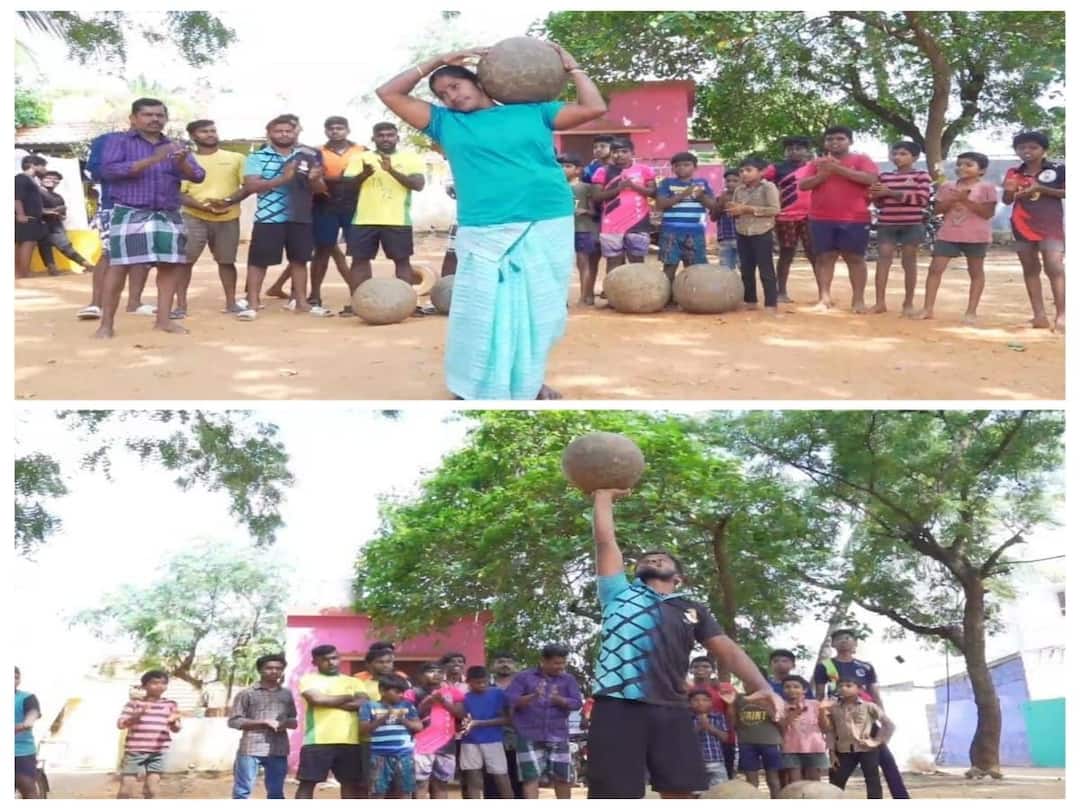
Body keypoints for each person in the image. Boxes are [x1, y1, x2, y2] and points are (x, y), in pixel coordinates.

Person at [375, 43, 606, 400]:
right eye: (442, 94)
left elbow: (594, 107)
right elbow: (388, 92)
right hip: (484, 225)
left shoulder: (533, 112)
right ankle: (473, 385)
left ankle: (528, 380)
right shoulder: (445, 123)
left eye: (455, 86)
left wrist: (573, 68)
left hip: (546, 217)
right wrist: (437, 61)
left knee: (537, 308)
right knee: (480, 310)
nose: (450, 96)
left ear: (480, 83)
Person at [587, 489, 783, 798]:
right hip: (618, 705)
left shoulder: (692, 609)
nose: (653, 557)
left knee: (679, 790)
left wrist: (763, 686)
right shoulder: (618, 593)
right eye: (646, 559)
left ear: (679, 577)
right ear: (635, 572)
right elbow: (605, 541)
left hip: (672, 707)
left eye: (663, 558)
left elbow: (727, 649)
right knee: (614, 793)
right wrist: (602, 495)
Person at [95, 98, 206, 338]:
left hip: (168, 213)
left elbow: (198, 176)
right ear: (133, 118)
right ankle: (106, 325)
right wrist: (154, 159)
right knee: (119, 266)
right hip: (130, 211)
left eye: (159, 115)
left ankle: (163, 320)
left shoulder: (175, 146)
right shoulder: (118, 141)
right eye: (147, 115)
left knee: (170, 266)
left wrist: (181, 162)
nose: (154, 119)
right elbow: (110, 171)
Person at [238, 115, 332, 319]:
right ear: (269, 134)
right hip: (268, 218)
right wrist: (284, 178)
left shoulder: (308, 156)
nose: (284, 134)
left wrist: (315, 180)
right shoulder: (257, 157)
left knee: (300, 261)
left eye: (288, 131)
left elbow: (320, 189)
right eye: (278, 131)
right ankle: (253, 303)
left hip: (300, 217)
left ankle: (301, 303)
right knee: (258, 261)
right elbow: (252, 185)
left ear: (295, 133)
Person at [813, 629, 909, 799]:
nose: (844, 640)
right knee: (837, 769)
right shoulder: (825, 666)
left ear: (855, 644)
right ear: (833, 644)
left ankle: (901, 798)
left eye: (848, 637)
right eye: (839, 638)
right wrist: (822, 717)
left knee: (885, 761)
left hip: (865, 716)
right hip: (839, 716)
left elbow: (874, 692)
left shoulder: (865, 666)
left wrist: (880, 716)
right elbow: (820, 695)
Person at [342, 122, 426, 300]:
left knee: (402, 261)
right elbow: (346, 187)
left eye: (390, 135)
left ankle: (407, 303)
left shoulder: (411, 158)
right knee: (359, 262)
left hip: (397, 220)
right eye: (381, 135)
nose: (385, 138)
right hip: (364, 219)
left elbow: (418, 185)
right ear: (373, 138)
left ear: (397, 138)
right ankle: (359, 302)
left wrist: (392, 171)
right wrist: (364, 174)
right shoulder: (361, 158)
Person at [799, 126, 879, 312]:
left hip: (856, 218)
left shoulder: (861, 159)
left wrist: (838, 169)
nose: (834, 142)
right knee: (824, 258)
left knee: (855, 258)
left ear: (850, 141)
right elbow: (803, 185)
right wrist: (822, 175)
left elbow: (871, 179)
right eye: (830, 139)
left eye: (840, 138)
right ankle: (824, 298)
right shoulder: (817, 163)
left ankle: (858, 301)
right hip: (820, 218)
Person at [176, 119, 248, 317]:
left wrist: (226, 202)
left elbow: (248, 185)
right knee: (185, 262)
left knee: (226, 261)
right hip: (193, 216)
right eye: (204, 131)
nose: (210, 134)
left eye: (213, 130)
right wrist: (201, 207)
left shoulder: (236, 158)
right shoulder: (184, 160)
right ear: (193, 136)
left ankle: (231, 303)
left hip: (228, 216)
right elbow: (177, 193)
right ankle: (180, 306)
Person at [916, 152, 997, 323]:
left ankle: (971, 312)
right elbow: (937, 210)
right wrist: (953, 200)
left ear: (981, 170)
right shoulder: (947, 186)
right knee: (935, 269)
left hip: (977, 235)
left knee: (975, 271)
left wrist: (966, 201)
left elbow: (987, 213)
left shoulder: (987, 187)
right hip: (949, 233)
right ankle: (927, 308)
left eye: (969, 165)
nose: (962, 168)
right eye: (959, 164)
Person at [1003, 130, 1065, 333]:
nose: (1026, 151)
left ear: (1044, 150)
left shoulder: (1058, 169)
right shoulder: (1013, 172)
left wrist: (1042, 190)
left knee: (1054, 267)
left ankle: (1062, 315)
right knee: (1030, 269)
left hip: (1050, 225)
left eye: (1032, 147)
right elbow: (1007, 201)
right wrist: (1009, 191)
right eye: (1021, 148)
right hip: (1021, 224)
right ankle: (1039, 315)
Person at [296, 644, 375, 799]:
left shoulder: (354, 682)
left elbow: (363, 703)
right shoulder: (309, 680)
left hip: (350, 741)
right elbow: (317, 699)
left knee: (350, 784)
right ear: (315, 663)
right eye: (325, 660)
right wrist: (347, 697)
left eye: (334, 658)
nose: (331, 662)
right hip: (317, 740)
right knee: (307, 784)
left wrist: (329, 700)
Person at [504, 644, 582, 800]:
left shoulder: (568, 679)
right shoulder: (523, 677)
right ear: (543, 661)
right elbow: (509, 701)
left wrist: (558, 699)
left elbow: (577, 703)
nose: (560, 667)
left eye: (562, 662)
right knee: (530, 778)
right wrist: (533, 696)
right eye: (556, 663)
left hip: (558, 735)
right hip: (528, 735)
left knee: (562, 778)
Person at [307, 116, 366, 312]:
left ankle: (359, 296)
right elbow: (312, 178)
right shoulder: (316, 152)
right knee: (322, 251)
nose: (335, 131)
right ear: (326, 131)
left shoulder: (362, 150)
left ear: (348, 130)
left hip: (354, 205)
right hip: (324, 204)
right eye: (331, 128)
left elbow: (367, 176)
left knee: (358, 252)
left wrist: (339, 179)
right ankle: (315, 295)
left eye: (339, 128)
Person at [870, 141, 932, 315]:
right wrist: (876, 195)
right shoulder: (884, 176)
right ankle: (879, 303)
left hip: (912, 223)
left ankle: (908, 303)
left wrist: (890, 193)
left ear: (915, 157)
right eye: (895, 153)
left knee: (909, 262)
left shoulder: (922, 175)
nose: (897, 157)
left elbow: (922, 200)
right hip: (887, 222)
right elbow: (879, 202)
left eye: (903, 153)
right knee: (883, 260)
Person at [228, 653, 298, 800]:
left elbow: (294, 721)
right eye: (269, 668)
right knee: (242, 791)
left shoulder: (286, 694)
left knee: (276, 793)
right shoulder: (247, 693)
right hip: (251, 748)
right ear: (260, 670)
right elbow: (234, 721)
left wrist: (284, 723)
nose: (274, 671)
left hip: (278, 749)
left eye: (278, 668)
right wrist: (263, 722)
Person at [591, 138, 657, 275]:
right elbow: (596, 197)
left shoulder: (644, 170)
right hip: (611, 225)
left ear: (632, 153)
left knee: (637, 260)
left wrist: (633, 186)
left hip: (638, 223)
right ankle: (613, 294)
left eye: (624, 151)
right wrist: (619, 188)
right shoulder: (602, 172)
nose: (619, 155)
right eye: (615, 151)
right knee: (613, 262)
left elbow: (653, 193)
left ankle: (638, 293)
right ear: (611, 153)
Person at [820, 678, 895, 799]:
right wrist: (832, 753)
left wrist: (876, 741)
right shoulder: (833, 708)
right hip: (843, 751)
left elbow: (889, 725)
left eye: (848, 685)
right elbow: (830, 731)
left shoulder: (869, 706)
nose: (844, 688)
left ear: (859, 689)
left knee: (873, 782)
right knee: (836, 781)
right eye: (840, 686)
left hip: (867, 750)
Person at [764, 136, 817, 302]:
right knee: (787, 253)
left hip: (810, 216)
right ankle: (781, 293)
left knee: (814, 253)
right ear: (785, 152)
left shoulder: (813, 168)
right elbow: (759, 180)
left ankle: (824, 292)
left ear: (806, 151)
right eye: (790, 149)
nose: (794, 151)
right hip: (785, 217)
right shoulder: (776, 168)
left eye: (799, 148)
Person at [116, 670, 182, 799]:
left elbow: (176, 729)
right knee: (126, 789)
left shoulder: (170, 705)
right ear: (144, 686)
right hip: (135, 750)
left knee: (153, 789)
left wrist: (174, 722)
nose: (160, 686)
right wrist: (137, 715)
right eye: (155, 683)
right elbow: (121, 724)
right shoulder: (134, 704)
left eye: (163, 683)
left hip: (159, 751)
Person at [655, 151, 716, 291]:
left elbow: (713, 206)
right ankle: (666, 296)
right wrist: (683, 194)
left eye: (686, 165)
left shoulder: (702, 183)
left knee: (694, 267)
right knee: (670, 265)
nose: (682, 168)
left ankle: (692, 295)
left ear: (695, 167)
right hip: (670, 231)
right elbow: (660, 205)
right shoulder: (667, 183)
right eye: (678, 165)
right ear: (673, 168)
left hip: (695, 231)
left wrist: (701, 196)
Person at [727, 157, 781, 312]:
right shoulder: (739, 189)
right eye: (741, 171)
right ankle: (750, 301)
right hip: (742, 231)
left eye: (748, 170)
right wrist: (734, 210)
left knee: (766, 268)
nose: (744, 173)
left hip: (762, 231)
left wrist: (747, 209)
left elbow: (774, 210)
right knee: (746, 268)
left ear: (761, 172)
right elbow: (737, 209)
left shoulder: (768, 187)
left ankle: (771, 303)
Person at [405, 661, 465, 799]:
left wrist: (444, 702)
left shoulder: (452, 691)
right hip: (420, 746)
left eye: (439, 671)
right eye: (431, 671)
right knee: (420, 785)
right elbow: (409, 717)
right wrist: (427, 703)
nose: (436, 674)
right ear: (420, 675)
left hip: (446, 746)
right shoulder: (412, 692)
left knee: (441, 784)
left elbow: (461, 714)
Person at [359, 675, 423, 799]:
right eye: (397, 692)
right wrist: (383, 718)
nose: (401, 695)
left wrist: (403, 720)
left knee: (404, 792)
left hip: (404, 756)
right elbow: (363, 730)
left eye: (403, 692)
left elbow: (418, 727)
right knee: (377, 792)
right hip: (379, 757)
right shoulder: (369, 706)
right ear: (382, 690)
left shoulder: (408, 706)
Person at [459, 665, 513, 798]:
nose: (482, 685)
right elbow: (463, 718)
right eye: (478, 682)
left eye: (485, 681)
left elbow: (507, 719)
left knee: (501, 776)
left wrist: (478, 723)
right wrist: (466, 723)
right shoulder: (465, 698)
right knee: (473, 778)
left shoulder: (498, 694)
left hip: (493, 740)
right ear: (469, 682)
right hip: (470, 741)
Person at [687, 656, 737, 779]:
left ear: (712, 670)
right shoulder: (686, 690)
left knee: (724, 783)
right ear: (690, 670)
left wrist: (730, 704)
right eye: (696, 666)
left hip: (722, 739)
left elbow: (732, 716)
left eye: (705, 666)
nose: (701, 669)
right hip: (694, 742)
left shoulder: (724, 687)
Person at [36, 170, 94, 274]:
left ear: (58, 182)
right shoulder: (36, 193)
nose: (52, 180)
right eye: (48, 178)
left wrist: (60, 214)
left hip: (55, 225)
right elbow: (34, 209)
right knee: (44, 246)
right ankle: (52, 269)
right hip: (39, 224)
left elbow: (63, 216)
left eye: (55, 179)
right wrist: (52, 211)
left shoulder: (58, 197)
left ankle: (86, 264)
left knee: (66, 246)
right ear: (41, 179)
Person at [485, 652, 524, 799]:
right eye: (501, 661)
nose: (505, 665)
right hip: (490, 737)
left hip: (518, 738)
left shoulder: (523, 687)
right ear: (493, 666)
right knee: (492, 779)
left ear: (516, 667)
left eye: (509, 662)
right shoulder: (484, 685)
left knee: (518, 777)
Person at [561, 153, 600, 305]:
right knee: (561, 264)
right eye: (560, 166)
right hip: (561, 231)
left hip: (582, 229)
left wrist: (584, 211)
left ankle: (585, 297)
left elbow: (594, 211)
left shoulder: (585, 188)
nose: (563, 169)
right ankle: (561, 299)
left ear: (578, 170)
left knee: (583, 263)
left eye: (567, 166)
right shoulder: (556, 187)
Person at [778, 676, 829, 785]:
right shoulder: (780, 706)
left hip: (814, 748)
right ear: (782, 689)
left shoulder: (815, 704)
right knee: (795, 783)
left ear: (804, 690)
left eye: (796, 687)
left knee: (814, 783)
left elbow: (825, 727)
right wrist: (795, 712)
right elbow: (781, 727)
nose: (791, 690)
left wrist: (823, 711)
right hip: (791, 749)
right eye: (787, 687)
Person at [734, 688, 783, 797]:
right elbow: (734, 721)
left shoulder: (772, 698)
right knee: (751, 781)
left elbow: (780, 721)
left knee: (773, 779)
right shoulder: (739, 699)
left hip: (770, 742)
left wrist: (768, 707)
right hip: (746, 743)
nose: (748, 684)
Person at [581, 135, 614, 292]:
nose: (598, 150)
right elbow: (585, 193)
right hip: (594, 218)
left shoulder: (621, 169)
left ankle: (611, 291)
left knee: (615, 257)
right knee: (592, 255)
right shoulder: (588, 170)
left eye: (602, 146)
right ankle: (588, 294)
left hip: (616, 218)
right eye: (595, 147)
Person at [15, 154, 48, 279]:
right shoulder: (22, 179)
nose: (45, 169)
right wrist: (21, 214)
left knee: (23, 243)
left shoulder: (30, 180)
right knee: (27, 243)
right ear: (33, 165)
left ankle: (20, 273)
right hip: (26, 218)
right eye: (43, 166)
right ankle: (23, 273)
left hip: (30, 217)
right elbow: (17, 197)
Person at [689, 689, 729, 789]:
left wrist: (709, 727)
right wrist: (699, 726)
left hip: (716, 762)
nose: (700, 703)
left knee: (720, 793)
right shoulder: (685, 718)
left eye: (704, 700)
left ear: (710, 703)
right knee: (695, 793)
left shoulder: (718, 717)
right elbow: (683, 740)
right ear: (689, 703)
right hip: (694, 763)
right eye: (696, 700)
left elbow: (725, 738)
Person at [14, 665, 42, 799]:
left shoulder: (27, 697)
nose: (13, 680)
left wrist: (26, 723)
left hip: (21, 753)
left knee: (28, 790)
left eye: (16, 677)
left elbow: (33, 712)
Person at [710, 169, 740, 272]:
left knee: (745, 268)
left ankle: (745, 288)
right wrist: (720, 204)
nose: (731, 183)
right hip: (725, 239)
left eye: (735, 181)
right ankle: (729, 288)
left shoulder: (745, 197)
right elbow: (713, 217)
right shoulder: (719, 198)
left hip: (742, 239)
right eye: (728, 181)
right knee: (725, 270)